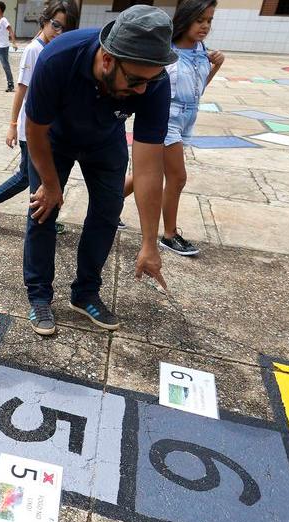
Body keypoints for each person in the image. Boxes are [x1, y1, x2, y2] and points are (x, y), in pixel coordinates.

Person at [22, 6, 174, 335]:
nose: (142, 91)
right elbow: (34, 131)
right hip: (53, 140)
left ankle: (86, 292)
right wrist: (50, 185)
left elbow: (149, 168)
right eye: (135, 81)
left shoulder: (153, 81)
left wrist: (150, 242)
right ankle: (39, 296)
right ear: (107, 59)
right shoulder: (58, 58)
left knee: (107, 211)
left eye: (151, 81)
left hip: (106, 140)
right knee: (43, 209)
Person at [121, 0, 223, 257]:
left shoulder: (202, 50)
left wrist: (215, 67)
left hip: (187, 118)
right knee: (177, 177)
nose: (205, 26)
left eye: (209, 20)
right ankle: (169, 234)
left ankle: (105, 207)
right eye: (200, 20)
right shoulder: (166, 51)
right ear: (187, 19)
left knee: (146, 175)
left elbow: (197, 90)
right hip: (166, 118)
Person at [0, 0, 76, 234]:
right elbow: (21, 90)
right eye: (56, 25)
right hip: (31, 128)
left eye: (65, 29)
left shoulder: (53, 48)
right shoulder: (33, 50)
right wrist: (12, 125)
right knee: (33, 177)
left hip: (47, 127)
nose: (59, 32)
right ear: (45, 21)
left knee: (31, 176)